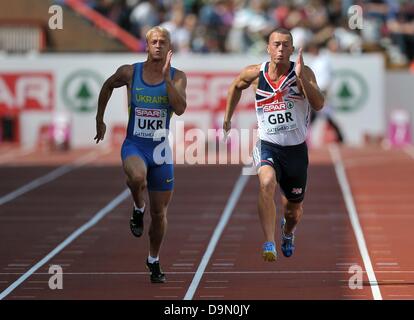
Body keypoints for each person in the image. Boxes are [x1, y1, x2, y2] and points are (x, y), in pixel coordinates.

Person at [94, 26, 187, 282]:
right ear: (146, 46)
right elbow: (107, 85)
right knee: (137, 178)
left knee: (159, 216)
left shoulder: (178, 77)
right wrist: (99, 118)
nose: (158, 45)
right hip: (135, 145)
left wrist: (167, 79)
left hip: (161, 153)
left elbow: (179, 109)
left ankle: (153, 260)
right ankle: (137, 206)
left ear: (170, 47)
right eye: (153, 41)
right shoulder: (130, 72)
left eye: (163, 42)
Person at [223, 28, 324, 262]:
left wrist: (301, 79)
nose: (280, 49)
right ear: (268, 48)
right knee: (266, 183)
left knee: (293, 211)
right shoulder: (255, 74)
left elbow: (318, 104)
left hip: (296, 151)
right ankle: (269, 242)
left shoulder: (303, 72)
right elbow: (235, 86)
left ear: (291, 49)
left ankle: (287, 232)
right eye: (276, 44)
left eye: (285, 45)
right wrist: (228, 118)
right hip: (268, 145)